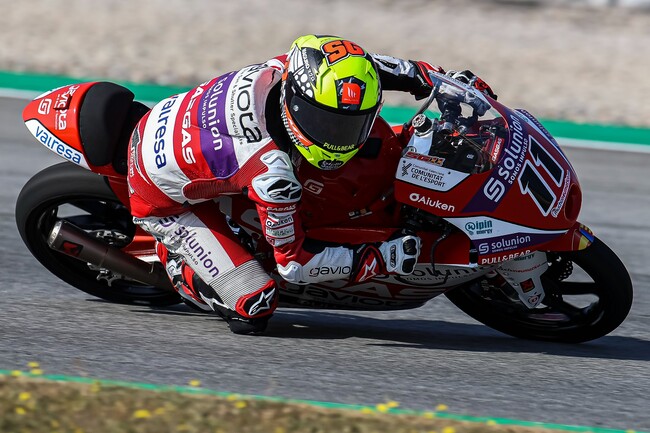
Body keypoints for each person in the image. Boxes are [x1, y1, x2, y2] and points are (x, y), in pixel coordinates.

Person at [126, 34, 496, 335]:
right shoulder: (271, 173)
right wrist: (379, 258)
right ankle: (179, 266)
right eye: (328, 125)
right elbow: (294, 264)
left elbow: (376, 68)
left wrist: (445, 82)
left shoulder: (298, 68)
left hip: (181, 127)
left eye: (350, 125)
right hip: (162, 196)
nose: (341, 139)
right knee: (255, 305)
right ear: (297, 104)